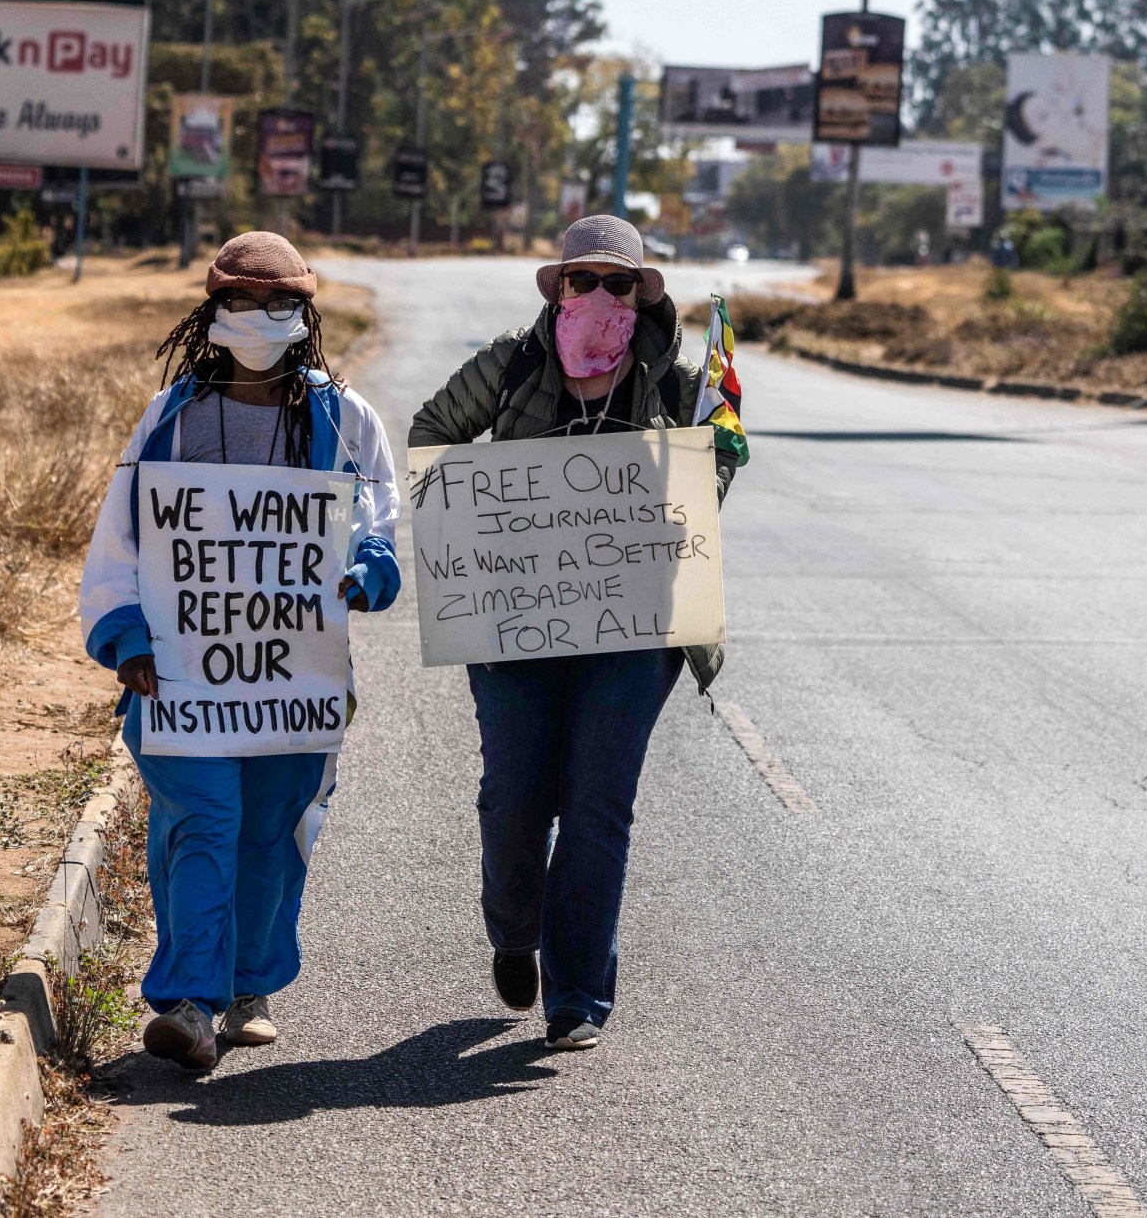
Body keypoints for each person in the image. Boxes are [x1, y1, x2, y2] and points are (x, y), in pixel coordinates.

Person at [410, 214, 744, 1051]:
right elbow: (431, 434)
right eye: (581, 280)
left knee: (599, 804)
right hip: (515, 621)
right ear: (557, 289)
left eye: (617, 282)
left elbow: (720, 465)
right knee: (514, 797)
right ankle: (515, 931)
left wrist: (701, 462)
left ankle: (577, 997)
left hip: (635, 628)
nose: (598, 295)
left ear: (642, 295)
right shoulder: (513, 362)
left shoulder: (679, 381)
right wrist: (483, 533)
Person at [79, 231, 401, 1073]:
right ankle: (187, 1001)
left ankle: (249, 986)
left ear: (306, 310)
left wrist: (371, 568)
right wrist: (125, 635)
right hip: (180, 675)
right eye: (242, 301)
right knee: (203, 820)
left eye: (279, 303)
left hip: (295, 680)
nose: (260, 318)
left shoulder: (342, 417)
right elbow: (122, 533)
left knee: (271, 828)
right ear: (211, 309)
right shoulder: (172, 417)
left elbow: (379, 518)